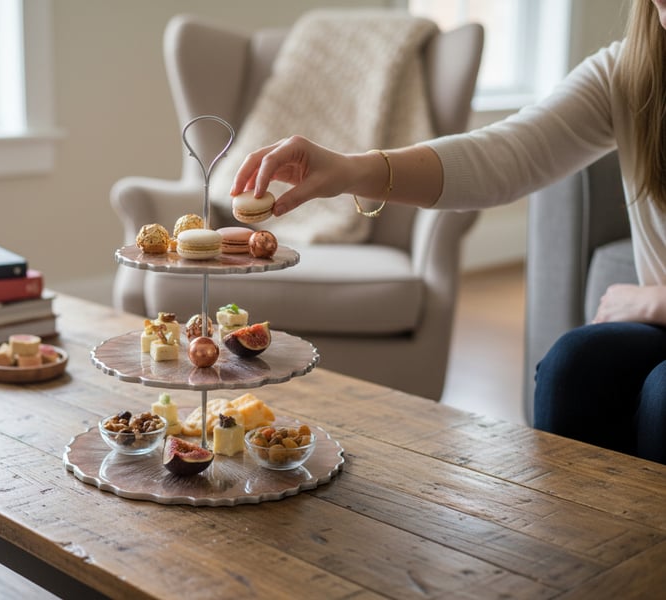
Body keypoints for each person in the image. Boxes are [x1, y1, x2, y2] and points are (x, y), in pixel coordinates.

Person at [230, 0, 666, 465]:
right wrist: (352, 169)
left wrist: (653, 300)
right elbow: (506, 154)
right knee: (572, 367)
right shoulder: (630, 73)